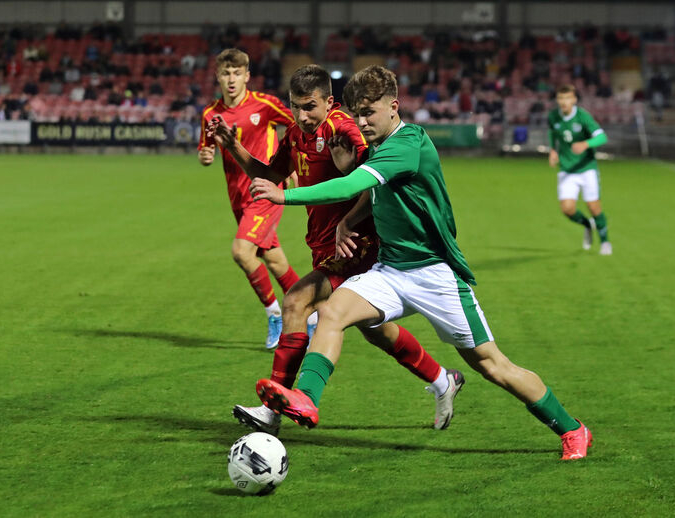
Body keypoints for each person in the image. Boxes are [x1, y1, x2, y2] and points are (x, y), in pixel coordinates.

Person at [250, 66, 593, 460]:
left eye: (369, 113)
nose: (361, 122)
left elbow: (350, 185)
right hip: (391, 270)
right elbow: (363, 191)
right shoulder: (375, 146)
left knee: (493, 366)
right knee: (332, 313)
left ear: (393, 107)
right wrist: (347, 221)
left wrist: (283, 197)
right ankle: (305, 399)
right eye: (356, 114)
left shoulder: (407, 143)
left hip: (434, 274)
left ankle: (572, 428)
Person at [211, 64, 464, 436]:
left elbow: (375, 179)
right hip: (324, 243)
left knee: (297, 301)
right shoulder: (297, 133)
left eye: (310, 106)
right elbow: (269, 176)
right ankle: (443, 378)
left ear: (329, 101)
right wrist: (232, 146)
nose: (301, 115)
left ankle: (275, 409)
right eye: (295, 106)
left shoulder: (345, 128)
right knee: (374, 327)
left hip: (357, 244)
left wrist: (350, 188)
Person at [197, 48, 301, 349]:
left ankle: (275, 315)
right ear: (218, 77)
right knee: (274, 259)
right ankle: (312, 311)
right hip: (238, 198)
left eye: (237, 73)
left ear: (247, 76)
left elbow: (297, 125)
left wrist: (289, 162)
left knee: (243, 252)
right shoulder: (210, 114)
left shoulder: (264, 105)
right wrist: (205, 156)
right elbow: (207, 150)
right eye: (226, 73)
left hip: (265, 190)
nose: (231, 79)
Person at [548, 84, 612, 255]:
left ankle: (605, 242)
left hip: (587, 168)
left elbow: (602, 137)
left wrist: (586, 143)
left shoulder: (583, 117)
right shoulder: (553, 116)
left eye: (568, 98)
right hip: (567, 169)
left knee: (594, 207)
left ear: (574, 99)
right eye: (561, 98)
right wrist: (553, 150)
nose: (564, 102)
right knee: (567, 209)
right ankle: (587, 224)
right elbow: (553, 134)